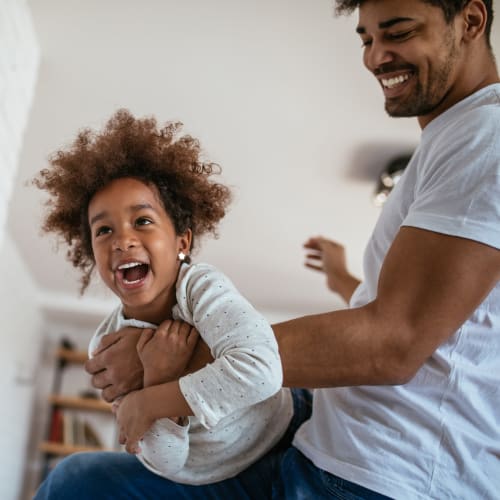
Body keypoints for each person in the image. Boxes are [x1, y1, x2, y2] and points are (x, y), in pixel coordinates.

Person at [40, 0, 500, 498]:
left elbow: (397, 340)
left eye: (398, 32)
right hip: (327, 440)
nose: (375, 57)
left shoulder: (485, 136)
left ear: (472, 21)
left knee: (80, 486)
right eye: (366, 40)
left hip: (382, 475)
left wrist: (166, 363)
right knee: (77, 481)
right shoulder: (453, 140)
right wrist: (345, 279)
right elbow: (428, 315)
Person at [33, 109, 311, 498]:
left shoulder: (199, 287)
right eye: (104, 230)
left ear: (182, 242)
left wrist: (153, 398)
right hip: (210, 478)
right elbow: (167, 462)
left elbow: (263, 370)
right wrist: (160, 375)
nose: (122, 240)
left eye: (142, 221)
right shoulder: (107, 347)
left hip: (283, 433)